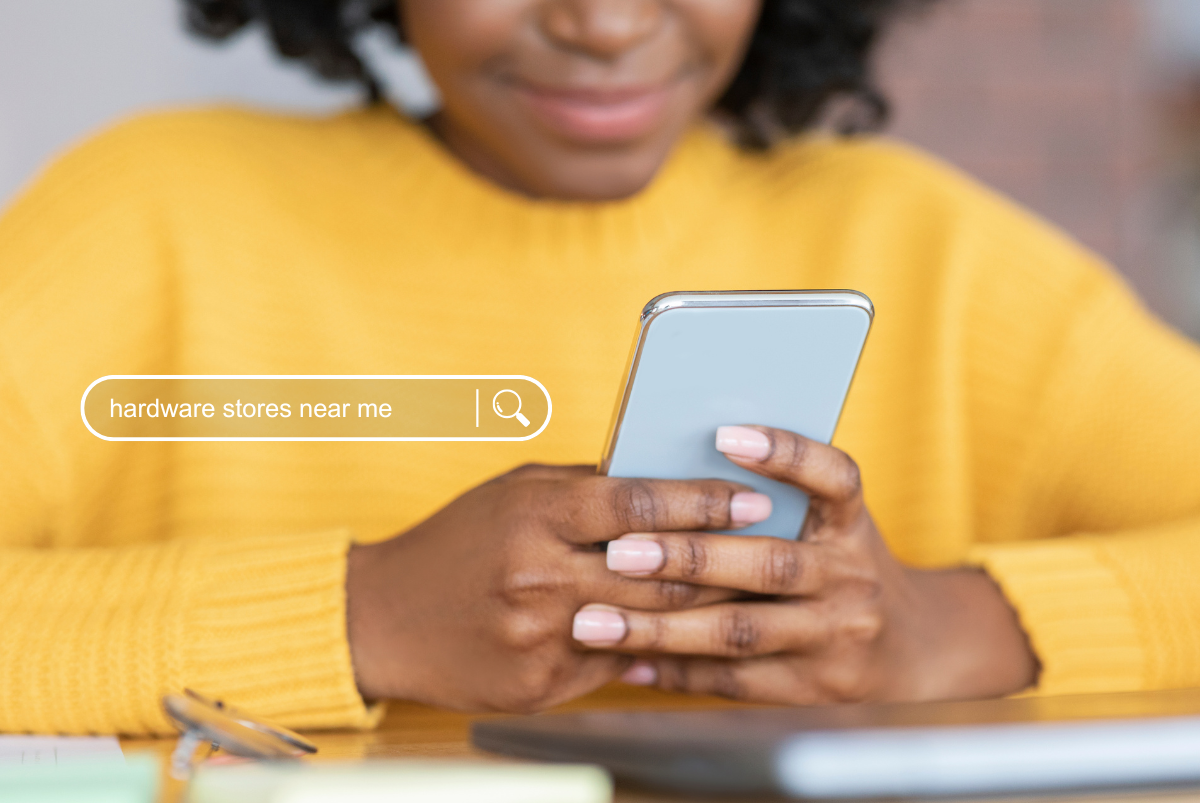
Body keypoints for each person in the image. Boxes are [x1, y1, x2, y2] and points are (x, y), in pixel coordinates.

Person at [1, 0, 1198, 737]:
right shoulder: (152, 216)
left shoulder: (928, 251)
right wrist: (368, 612)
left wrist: (948, 629)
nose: (606, 24)